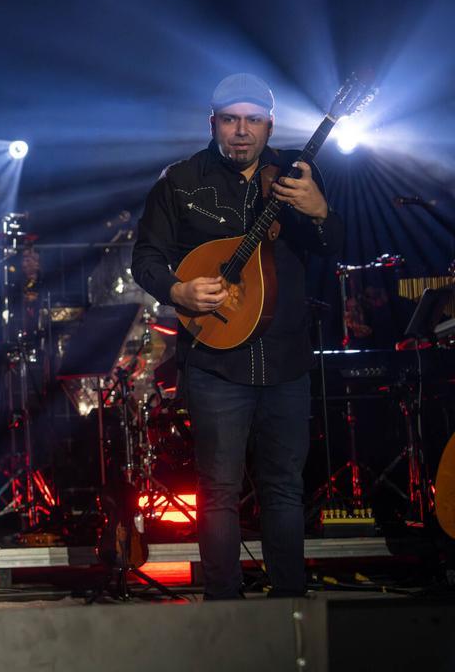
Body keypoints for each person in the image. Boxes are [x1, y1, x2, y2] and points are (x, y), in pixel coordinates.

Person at [131, 73, 344, 599]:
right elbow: (146, 258)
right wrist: (178, 291)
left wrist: (319, 212)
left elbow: (335, 245)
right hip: (214, 360)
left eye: (253, 121)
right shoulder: (180, 181)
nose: (241, 132)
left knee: (284, 489)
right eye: (231, 120)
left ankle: (290, 605)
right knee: (219, 491)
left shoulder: (296, 173)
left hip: (286, 357)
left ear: (270, 125)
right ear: (213, 123)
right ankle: (224, 608)